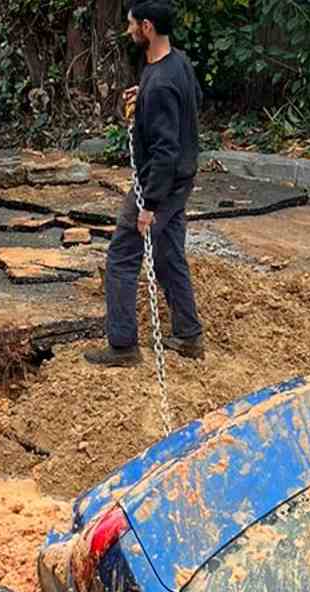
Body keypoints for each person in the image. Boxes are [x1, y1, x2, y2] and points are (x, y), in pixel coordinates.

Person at [84, 0, 205, 367]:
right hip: (180, 176)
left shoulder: (163, 82)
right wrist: (144, 96)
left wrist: (148, 206)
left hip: (160, 181)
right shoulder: (174, 64)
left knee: (121, 256)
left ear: (148, 27)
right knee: (168, 252)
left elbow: (166, 149)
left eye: (132, 24)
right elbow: (193, 100)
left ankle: (122, 346)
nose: (128, 30)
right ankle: (188, 336)